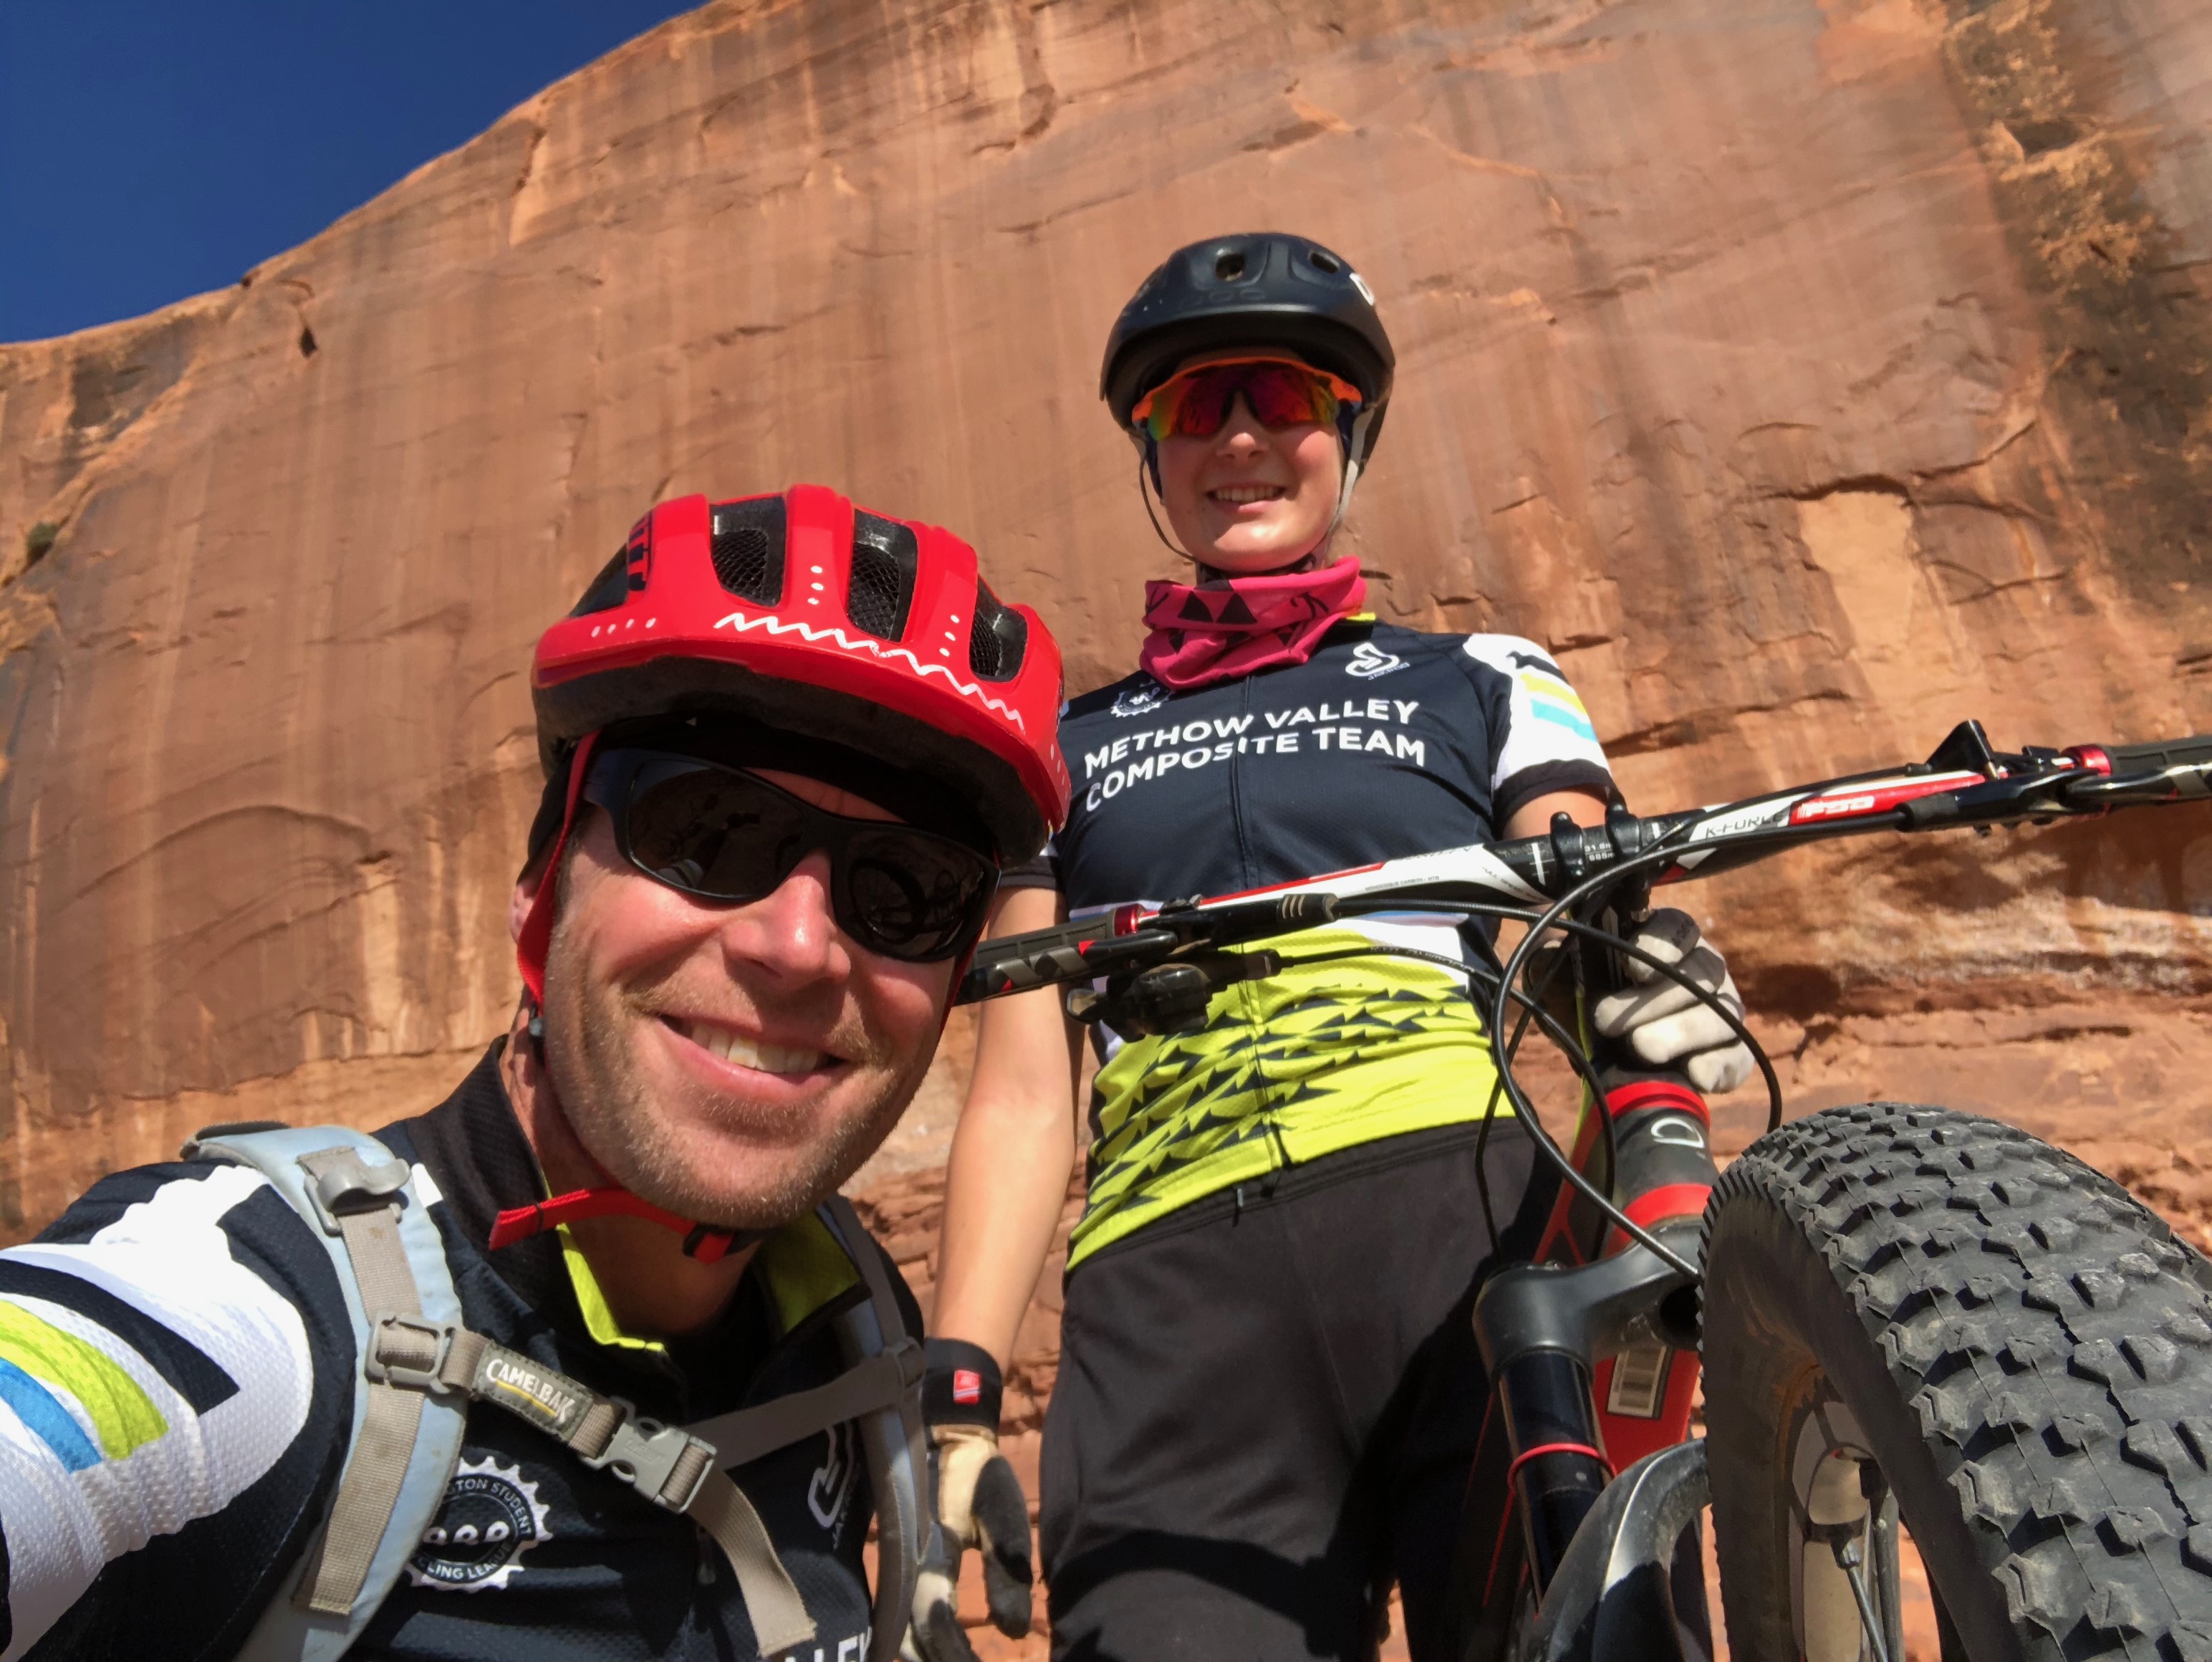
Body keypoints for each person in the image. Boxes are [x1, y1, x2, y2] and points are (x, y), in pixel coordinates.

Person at [0, 484, 1067, 1662]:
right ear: (541, 886)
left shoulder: (854, 1332)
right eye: (707, 831)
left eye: (907, 892)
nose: (801, 945)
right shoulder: (269, 1315)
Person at [925, 234, 1756, 1661]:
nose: (1241, 437)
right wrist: (956, 1403)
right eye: (1196, 406)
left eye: (1286, 396)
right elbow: (1018, 1090)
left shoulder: (1482, 677)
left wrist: (1640, 969)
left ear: (1349, 430)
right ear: (1151, 450)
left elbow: (1575, 893)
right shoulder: (1059, 752)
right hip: (1170, 1308)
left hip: (1471, 1229)